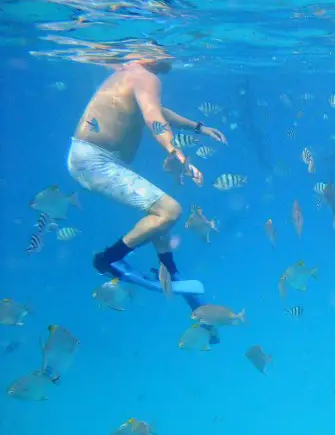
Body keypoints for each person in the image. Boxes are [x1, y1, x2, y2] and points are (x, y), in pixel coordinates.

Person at [67, 54, 227, 322]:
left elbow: (156, 110)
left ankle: (168, 269)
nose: (172, 55)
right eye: (164, 48)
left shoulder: (132, 74)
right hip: (94, 161)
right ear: (149, 56)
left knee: (159, 212)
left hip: (92, 158)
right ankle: (109, 259)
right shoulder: (144, 76)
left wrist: (197, 127)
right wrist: (176, 153)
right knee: (169, 211)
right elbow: (153, 118)